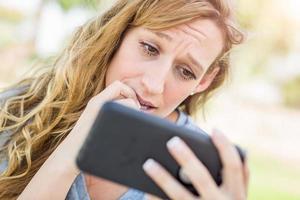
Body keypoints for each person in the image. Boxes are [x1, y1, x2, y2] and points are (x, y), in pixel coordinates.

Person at [0, 0, 249, 199]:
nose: (153, 85)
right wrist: (71, 151)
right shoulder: (16, 112)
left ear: (203, 81)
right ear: (118, 34)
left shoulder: (199, 175)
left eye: (186, 71)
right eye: (149, 48)